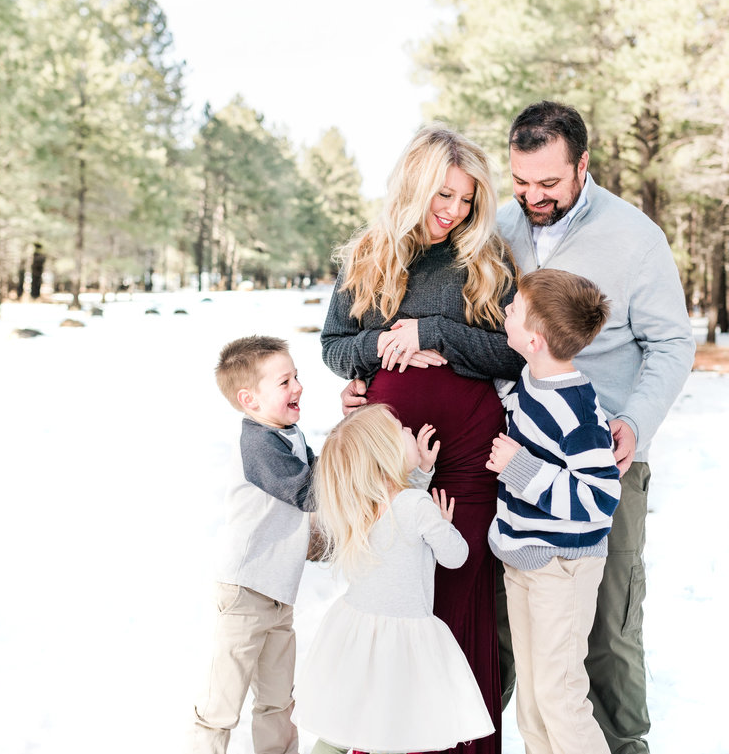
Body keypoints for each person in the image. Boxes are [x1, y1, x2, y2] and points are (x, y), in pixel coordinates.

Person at [496, 101, 695, 754]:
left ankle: (624, 744)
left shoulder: (635, 237)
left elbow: (670, 344)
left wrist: (635, 422)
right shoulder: (501, 228)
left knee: (608, 623)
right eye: (521, 182)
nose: (533, 197)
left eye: (549, 183)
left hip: (604, 461)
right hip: (519, 466)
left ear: (584, 165)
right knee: (518, 632)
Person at [324, 124, 523, 754]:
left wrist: (434, 331)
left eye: (466, 200)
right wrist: (378, 348)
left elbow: (512, 353)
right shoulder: (367, 256)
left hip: (470, 459)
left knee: (460, 598)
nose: (453, 212)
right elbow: (333, 347)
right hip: (385, 465)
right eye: (443, 196)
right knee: (394, 603)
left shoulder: (484, 261)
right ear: (412, 184)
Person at [296, 404, 496, 754]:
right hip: (401, 642)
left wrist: (420, 473)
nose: (410, 430)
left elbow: (395, 506)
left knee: (342, 727)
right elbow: (455, 556)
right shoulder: (418, 506)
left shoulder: (359, 504)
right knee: (394, 730)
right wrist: (443, 525)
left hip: (356, 633)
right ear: (387, 454)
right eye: (401, 429)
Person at [486, 269, 620, 754]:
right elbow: (521, 407)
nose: (506, 313)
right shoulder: (533, 381)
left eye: (514, 310)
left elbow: (599, 500)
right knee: (533, 700)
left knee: (559, 696)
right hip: (525, 561)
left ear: (535, 340)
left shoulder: (577, 411)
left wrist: (520, 468)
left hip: (563, 568)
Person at [189, 336, 315, 754]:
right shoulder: (259, 444)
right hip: (245, 590)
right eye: (284, 382)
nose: (298, 386)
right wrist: (356, 444)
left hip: (278, 592)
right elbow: (310, 492)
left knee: (279, 700)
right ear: (250, 400)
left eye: (296, 376)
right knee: (221, 703)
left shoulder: (288, 433)